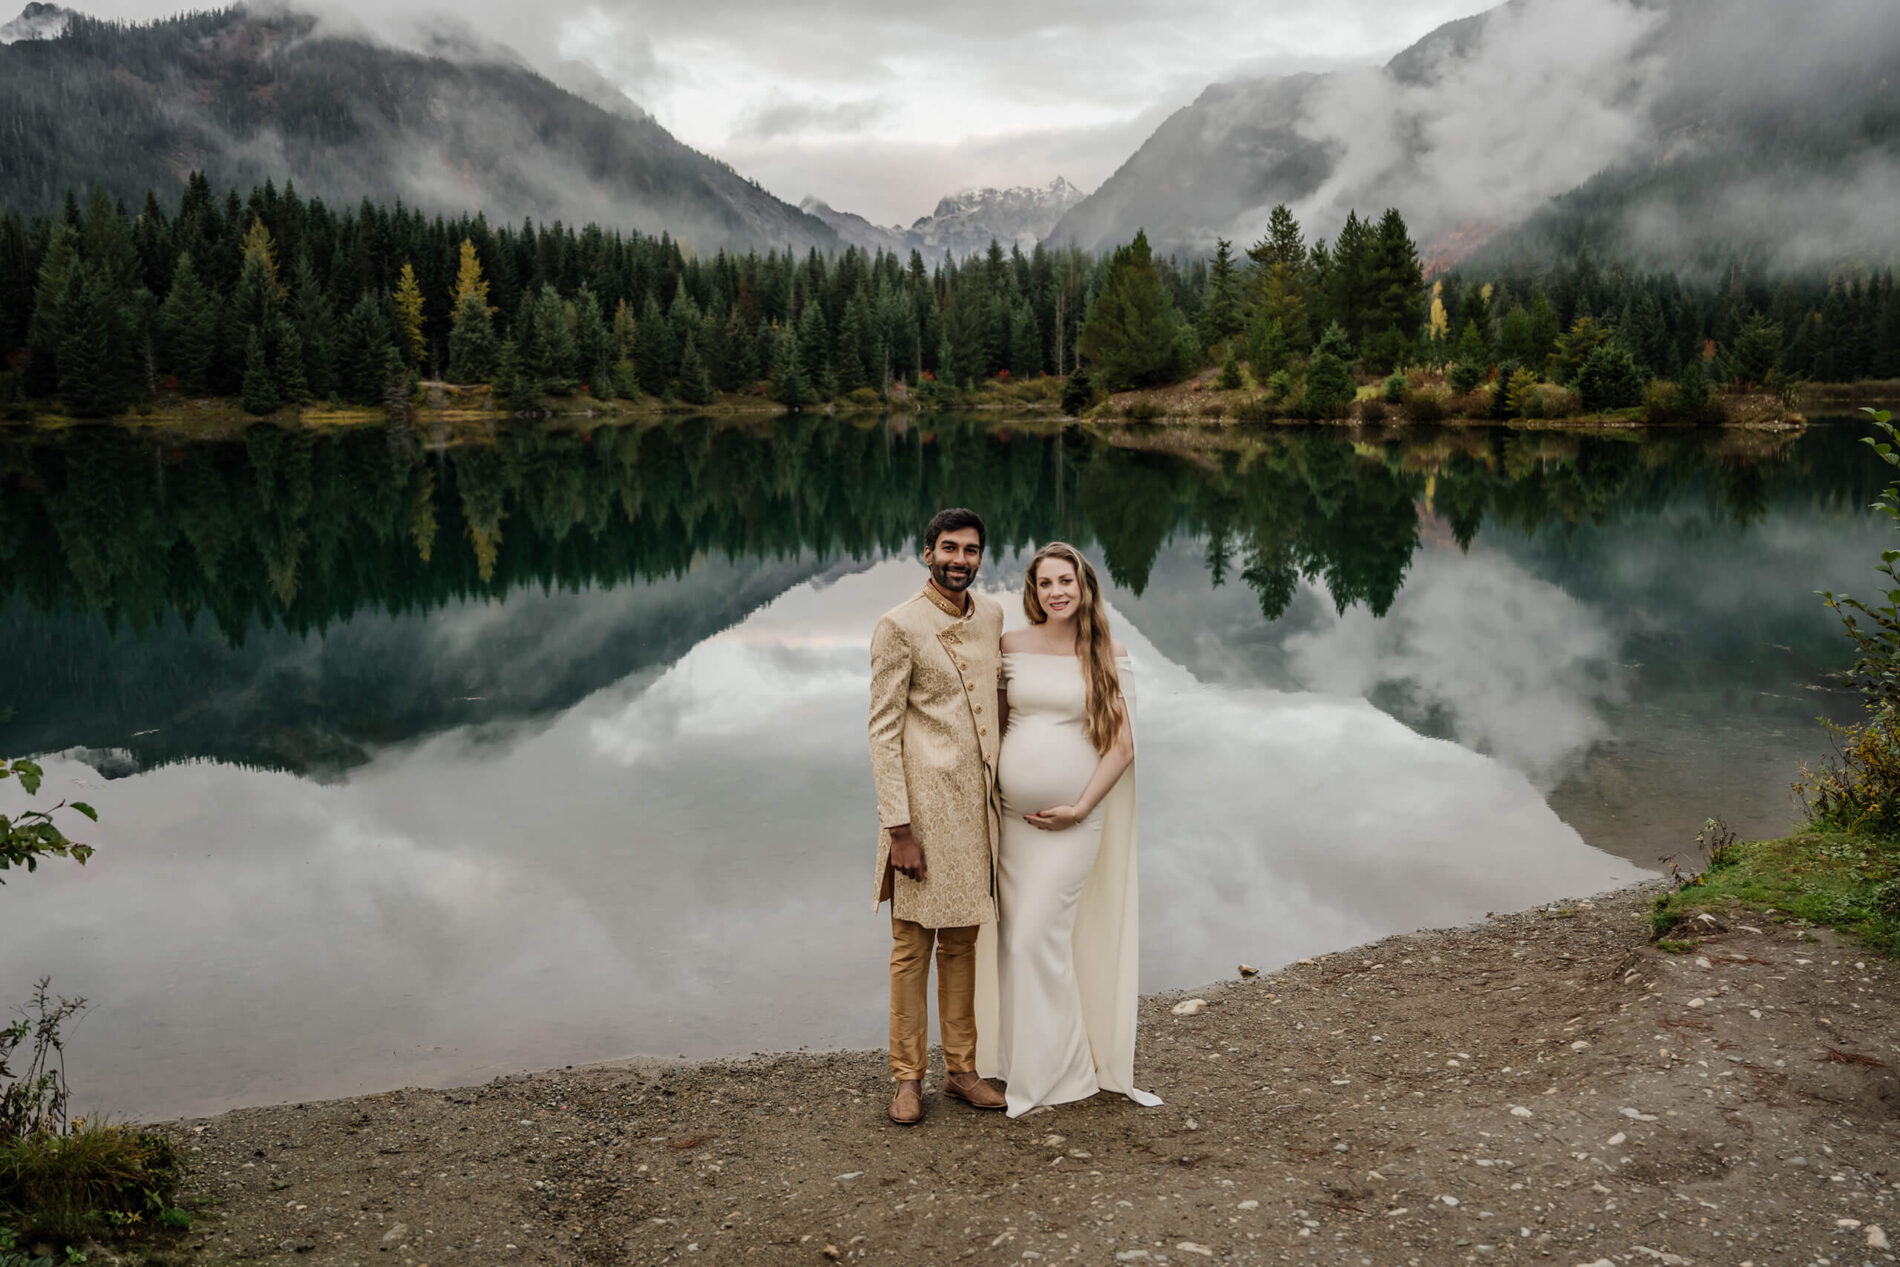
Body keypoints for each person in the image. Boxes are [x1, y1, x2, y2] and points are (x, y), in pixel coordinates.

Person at [975, 542, 1163, 1118]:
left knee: (1036, 936)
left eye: (1066, 581)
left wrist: (1080, 807)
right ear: (1033, 592)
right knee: (1014, 944)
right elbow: (999, 726)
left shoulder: (1106, 652)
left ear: (1085, 587)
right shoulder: (1010, 646)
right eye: (1045, 583)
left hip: (1073, 824)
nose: (1057, 591)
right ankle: (1019, 1063)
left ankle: (1062, 1073)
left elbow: (1123, 745)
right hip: (1012, 822)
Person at [867, 507, 1009, 1125]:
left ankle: (962, 1070)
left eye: (971, 550)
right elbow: (882, 731)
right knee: (910, 946)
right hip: (922, 812)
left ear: (980, 556)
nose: (960, 560)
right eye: (949, 549)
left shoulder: (995, 617)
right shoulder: (898, 626)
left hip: (976, 812)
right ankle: (906, 1078)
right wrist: (898, 828)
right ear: (927, 553)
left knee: (963, 943)